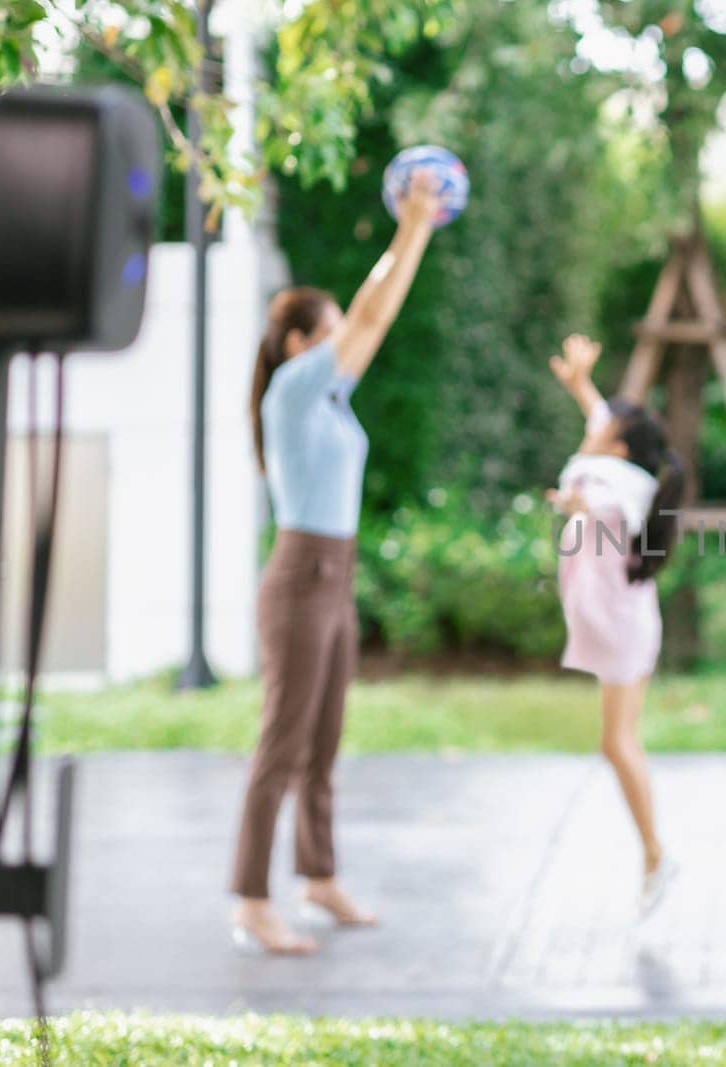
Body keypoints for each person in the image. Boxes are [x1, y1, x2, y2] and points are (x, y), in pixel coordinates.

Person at [230, 171, 444, 955]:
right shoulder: (291, 389)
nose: (341, 344)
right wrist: (411, 227)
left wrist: (416, 233)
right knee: (280, 743)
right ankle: (252, 899)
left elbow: (371, 325)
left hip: (337, 572)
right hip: (300, 576)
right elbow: (373, 313)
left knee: (323, 740)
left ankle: (318, 875)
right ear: (297, 345)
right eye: (327, 334)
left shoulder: (330, 400)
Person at [547, 333, 685, 914]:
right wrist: (580, 383)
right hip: (626, 622)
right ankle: (654, 855)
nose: (596, 423)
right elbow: (601, 420)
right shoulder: (623, 469)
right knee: (617, 741)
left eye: (608, 424)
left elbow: (598, 502)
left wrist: (575, 507)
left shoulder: (611, 485)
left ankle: (656, 854)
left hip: (624, 628)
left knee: (617, 742)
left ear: (620, 447)